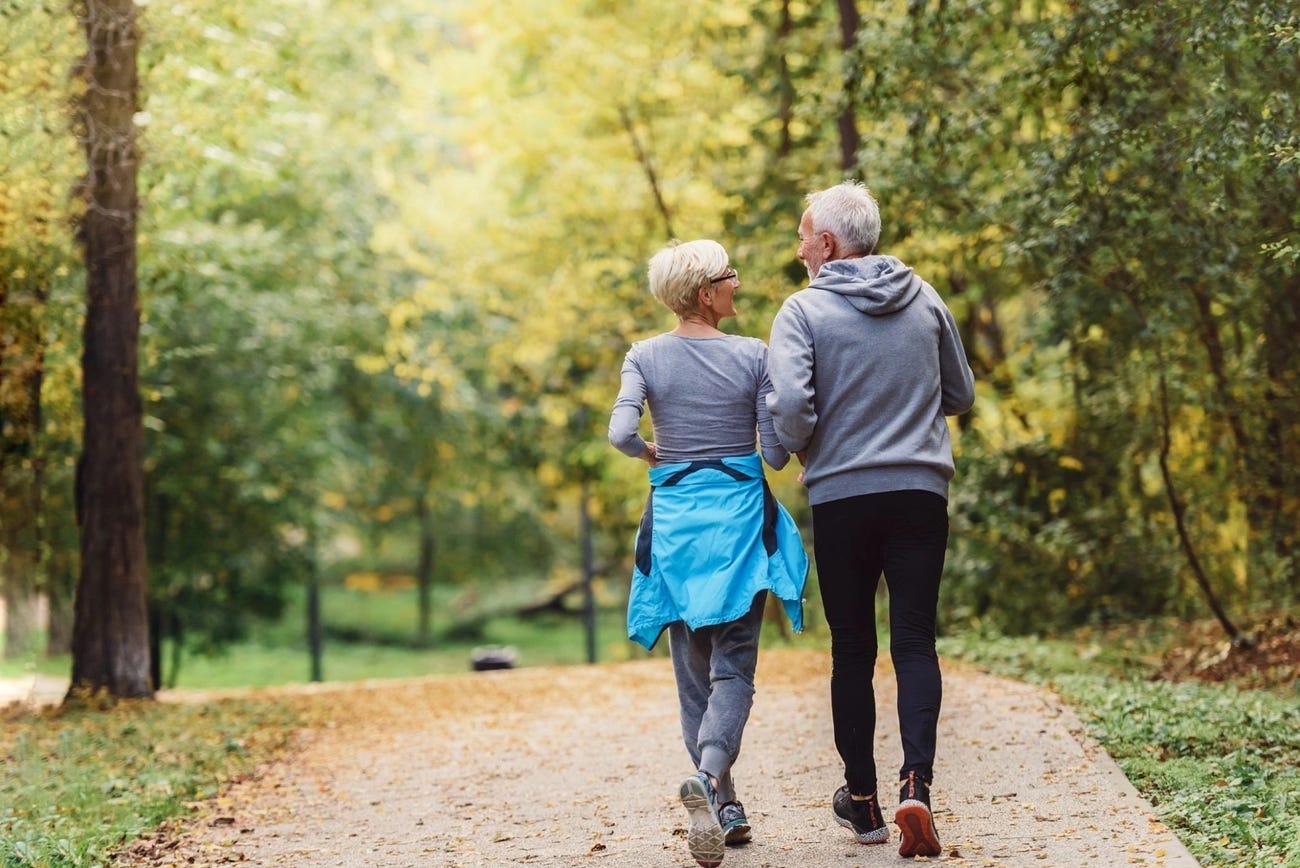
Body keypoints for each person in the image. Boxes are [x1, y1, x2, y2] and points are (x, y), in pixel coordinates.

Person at [766, 181, 975, 859]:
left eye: (803, 237)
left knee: (853, 649)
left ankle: (863, 804)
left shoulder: (802, 311)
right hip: (920, 492)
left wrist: (812, 446)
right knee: (915, 642)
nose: (799, 249)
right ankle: (918, 782)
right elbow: (960, 392)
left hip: (843, 498)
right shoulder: (926, 297)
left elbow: (792, 406)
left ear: (827, 243)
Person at [609, 239, 808, 868]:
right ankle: (712, 775)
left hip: (673, 528)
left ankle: (721, 802)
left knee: (692, 673)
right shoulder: (753, 356)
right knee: (735, 668)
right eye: (728, 276)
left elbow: (620, 433)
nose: (737, 282)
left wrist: (652, 454)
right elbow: (775, 454)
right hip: (739, 526)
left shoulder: (644, 356)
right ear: (705, 294)